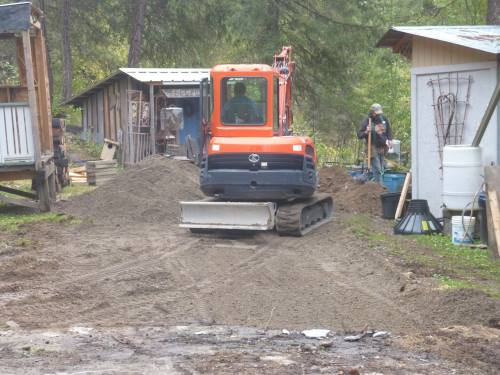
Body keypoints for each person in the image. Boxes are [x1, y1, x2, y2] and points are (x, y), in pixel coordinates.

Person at [357, 103, 393, 184]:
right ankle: (380, 187)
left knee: (382, 168)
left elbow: (389, 130)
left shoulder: (383, 118)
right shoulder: (367, 120)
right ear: (372, 112)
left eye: (379, 113)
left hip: (383, 147)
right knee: (377, 168)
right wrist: (366, 131)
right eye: (376, 113)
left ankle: (368, 180)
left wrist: (390, 140)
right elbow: (359, 135)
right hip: (372, 147)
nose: (377, 115)